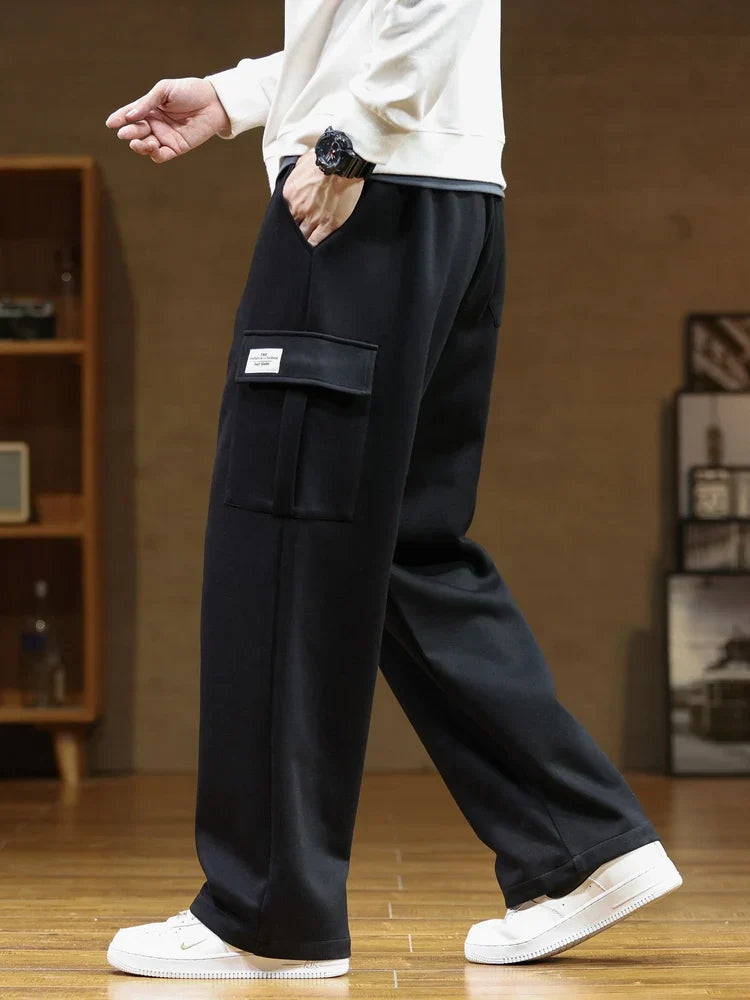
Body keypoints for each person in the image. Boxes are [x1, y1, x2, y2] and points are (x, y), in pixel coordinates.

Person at [103, 0, 682, 981]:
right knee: (406, 546)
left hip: (365, 194)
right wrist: (240, 96)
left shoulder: (354, 157)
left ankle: (267, 913)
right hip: (447, 200)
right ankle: (578, 843)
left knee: (280, 546)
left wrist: (347, 142)